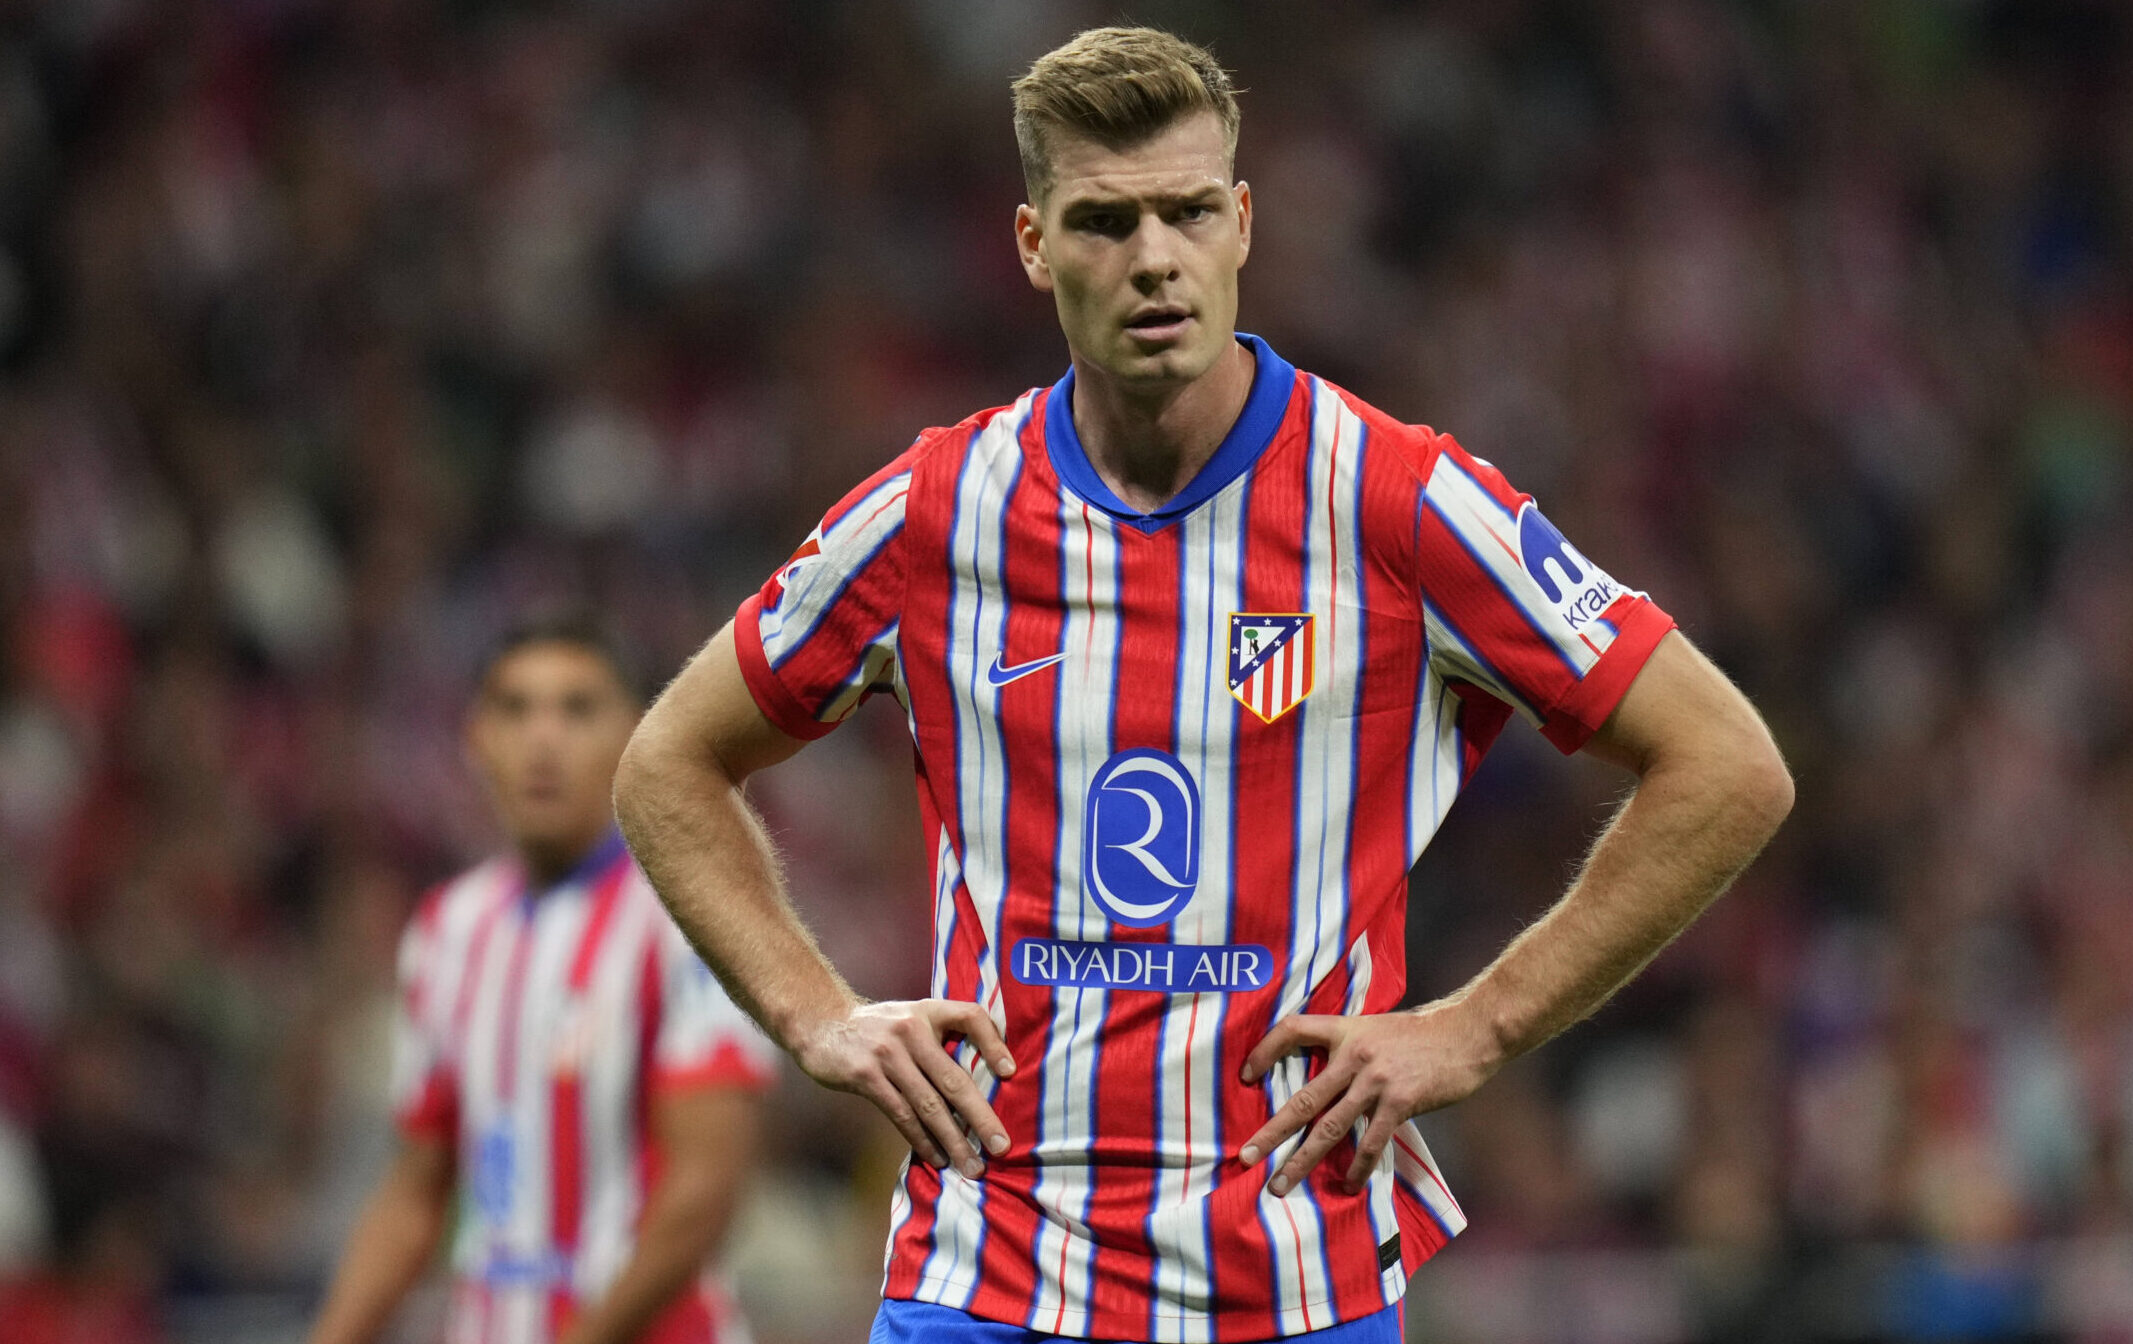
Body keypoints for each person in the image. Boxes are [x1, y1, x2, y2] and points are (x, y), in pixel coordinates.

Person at [613, 25, 1793, 1344]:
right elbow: (666, 761)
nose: (1152, 258)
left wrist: (1473, 1029)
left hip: (1292, 1282)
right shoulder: (939, 511)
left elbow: (1728, 764)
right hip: (991, 1278)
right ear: (1031, 245)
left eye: (1184, 213)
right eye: (1104, 222)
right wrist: (815, 1016)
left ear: (1241, 224)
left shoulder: (1393, 498)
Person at [311, 618, 778, 1344]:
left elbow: (705, 1190)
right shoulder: (447, 930)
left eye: (578, 709)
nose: (543, 739)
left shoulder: (689, 918)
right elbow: (414, 1191)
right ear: (476, 738)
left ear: (635, 735)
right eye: (515, 709)